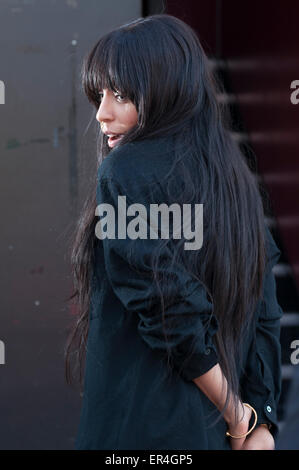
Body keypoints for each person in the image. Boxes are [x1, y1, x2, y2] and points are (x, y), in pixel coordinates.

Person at [65, 14, 283, 450]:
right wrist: (261, 420)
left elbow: (170, 309)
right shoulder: (234, 180)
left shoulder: (123, 170)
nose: (102, 113)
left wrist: (240, 416)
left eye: (121, 95)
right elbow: (265, 313)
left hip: (141, 432)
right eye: (99, 95)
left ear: (166, 93)